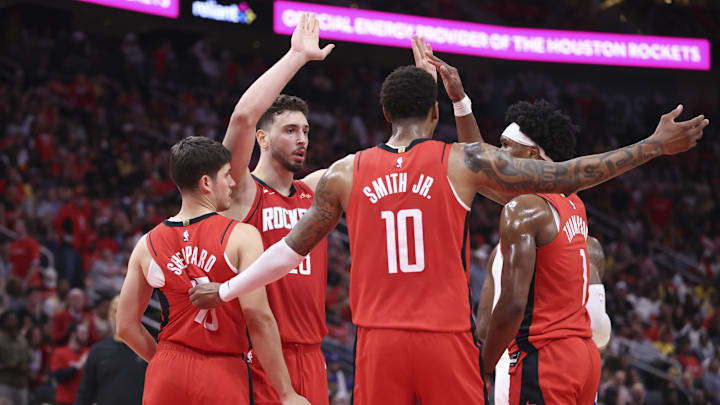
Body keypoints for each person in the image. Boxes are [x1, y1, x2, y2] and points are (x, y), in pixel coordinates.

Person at [190, 58, 708, 404]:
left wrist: (227, 288)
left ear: (385, 113)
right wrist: (653, 145)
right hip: (446, 340)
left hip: (378, 344)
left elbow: (287, 250)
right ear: (435, 113)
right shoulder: (463, 161)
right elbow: (569, 174)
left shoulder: (347, 171)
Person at [115, 136, 308, 405]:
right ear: (206, 182)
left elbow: (125, 326)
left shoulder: (146, 244)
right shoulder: (242, 236)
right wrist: (286, 393)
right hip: (222, 370)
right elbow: (258, 318)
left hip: (167, 372)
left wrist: (163, 361)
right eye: (227, 175)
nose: (232, 183)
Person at [218, 13, 334, 405]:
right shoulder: (242, 191)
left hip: (314, 355)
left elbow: (380, 161)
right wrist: (297, 57)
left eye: (306, 131)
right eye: (290, 130)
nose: (302, 139)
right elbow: (242, 117)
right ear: (263, 139)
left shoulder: (316, 190)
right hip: (260, 354)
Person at [473, 100, 613, 405]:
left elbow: (511, 305)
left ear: (532, 154)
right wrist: (461, 104)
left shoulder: (525, 209)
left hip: (544, 358)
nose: (500, 154)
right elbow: (477, 165)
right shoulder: (571, 201)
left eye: (507, 146)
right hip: (582, 355)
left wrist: (481, 366)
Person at [75, 296, 147, 405]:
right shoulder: (98, 350)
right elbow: (85, 394)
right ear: (109, 315)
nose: (120, 316)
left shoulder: (148, 350)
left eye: (126, 310)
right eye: (115, 311)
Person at [50, 322, 90, 405]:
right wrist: (78, 365)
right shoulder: (59, 352)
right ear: (73, 334)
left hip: (83, 401)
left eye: (87, 333)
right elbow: (59, 377)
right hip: (64, 401)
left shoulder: (89, 352)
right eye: (83, 333)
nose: (86, 336)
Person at [0, 311, 32, 405]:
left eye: (14, 320)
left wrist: (26, 365)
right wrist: (9, 366)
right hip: (4, 382)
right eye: (10, 320)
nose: (13, 322)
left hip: (21, 383)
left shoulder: (21, 339)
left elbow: (30, 357)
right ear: (3, 322)